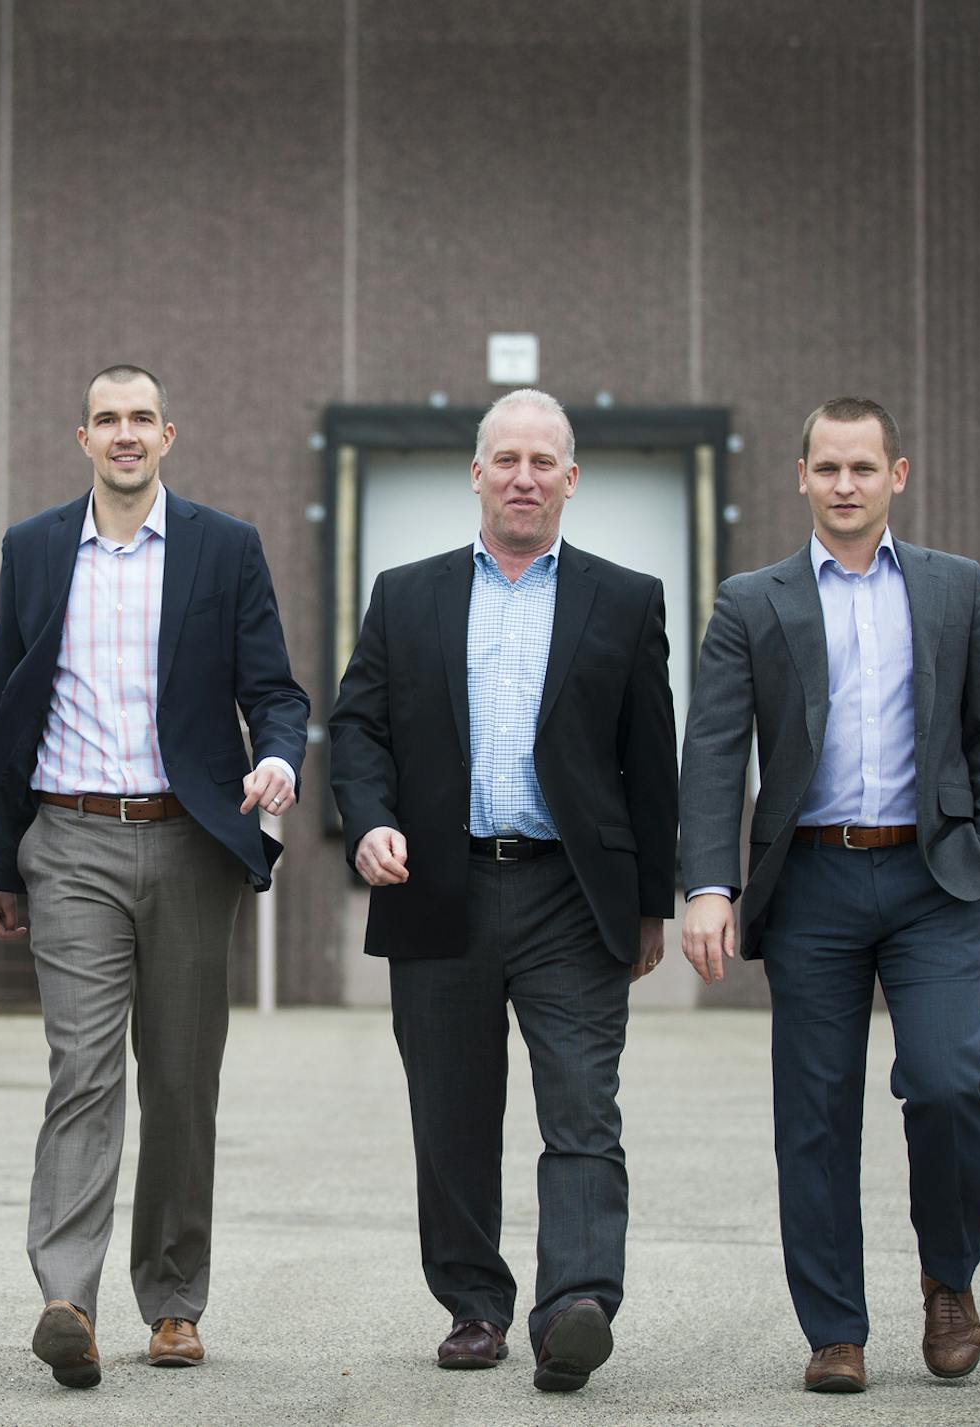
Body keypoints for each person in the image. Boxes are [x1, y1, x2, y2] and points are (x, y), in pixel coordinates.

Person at [677, 396, 980, 1394]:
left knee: (950, 1079)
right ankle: (835, 1327)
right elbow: (712, 750)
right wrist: (709, 882)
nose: (844, 485)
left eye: (862, 468)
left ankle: (949, 1277)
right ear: (801, 477)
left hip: (935, 880)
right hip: (815, 885)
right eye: (827, 468)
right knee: (817, 1111)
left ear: (897, 475)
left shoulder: (955, 587)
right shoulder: (753, 600)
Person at [327, 388, 676, 1394]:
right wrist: (372, 817)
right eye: (506, 458)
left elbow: (650, 760)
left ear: (572, 478)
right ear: (475, 474)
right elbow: (358, 729)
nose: (524, 475)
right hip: (441, 884)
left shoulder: (625, 597)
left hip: (574, 895)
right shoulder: (406, 594)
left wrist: (652, 898)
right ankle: (474, 1305)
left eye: (543, 460)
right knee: (451, 1112)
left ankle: (575, 1304)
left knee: (581, 1106)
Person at [0, 364, 309, 1388]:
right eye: (106, 420)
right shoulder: (32, 550)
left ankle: (171, 1300)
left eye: (140, 420)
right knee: (85, 1067)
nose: (124, 435)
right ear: (83, 437)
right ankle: (67, 1295)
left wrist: (280, 761)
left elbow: (275, 691)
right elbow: (4, 704)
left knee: (180, 1077)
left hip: (191, 842)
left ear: (170, 433)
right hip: (68, 840)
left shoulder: (224, 547)